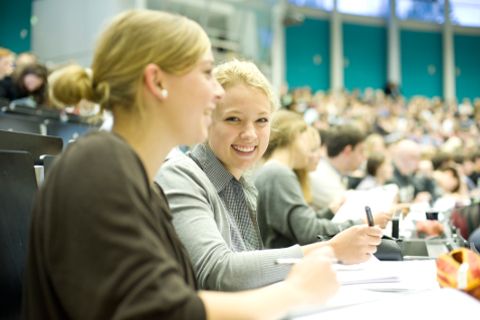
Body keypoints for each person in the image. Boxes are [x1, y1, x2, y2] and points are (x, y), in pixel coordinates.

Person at [23, 10, 338, 320]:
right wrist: (293, 293)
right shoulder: (98, 166)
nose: (216, 92)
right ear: (157, 82)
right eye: (205, 73)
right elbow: (162, 311)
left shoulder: (135, 178)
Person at [156, 60, 379, 292]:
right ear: (206, 119)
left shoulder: (246, 183)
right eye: (234, 119)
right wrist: (330, 250)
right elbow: (218, 272)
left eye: (261, 120)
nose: (250, 134)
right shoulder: (179, 176)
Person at [254, 109, 384, 250]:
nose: (312, 153)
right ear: (294, 136)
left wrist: (329, 211)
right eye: (309, 144)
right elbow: (309, 233)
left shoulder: (275, 171)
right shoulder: (278, 173)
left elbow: (299, 224)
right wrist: (361, 223)